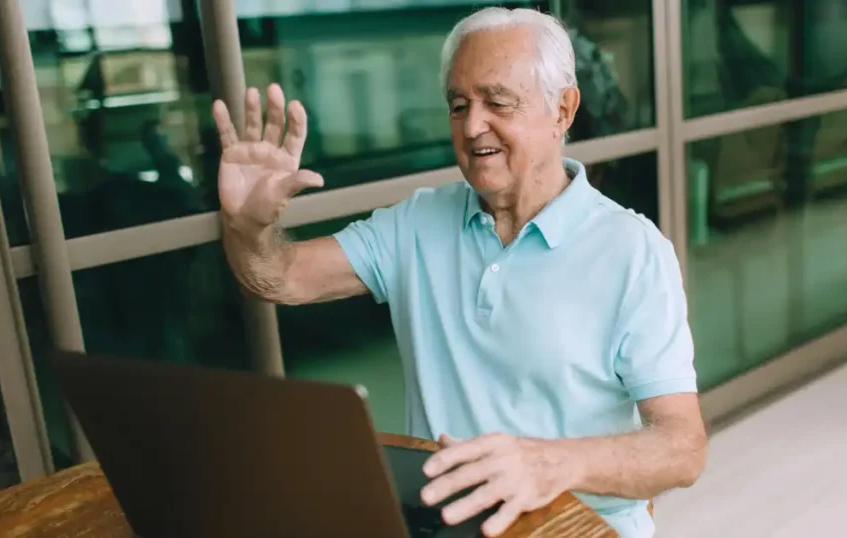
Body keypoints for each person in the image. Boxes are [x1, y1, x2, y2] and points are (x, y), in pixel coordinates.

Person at [212, 7, 706, 537]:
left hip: (576, 527)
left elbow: (682, 448)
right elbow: (278, 277)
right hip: (445, 524)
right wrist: (247, 227)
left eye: (498, 102)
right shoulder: (417, 222)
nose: (472, 126)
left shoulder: (633, 250)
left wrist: (550, 464)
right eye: (458, 105)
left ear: (563, 110)